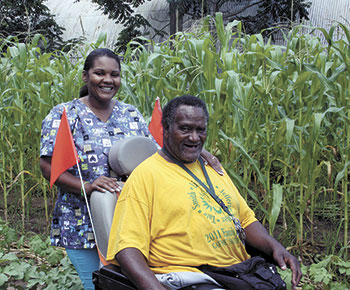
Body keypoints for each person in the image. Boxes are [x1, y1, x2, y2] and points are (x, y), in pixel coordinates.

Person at [39, 50, 221, 290]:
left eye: (115, 74)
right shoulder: (65, 114)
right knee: (96, 283)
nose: (108, 79)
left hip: (132, 218)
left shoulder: (130, 113)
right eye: (99, 73)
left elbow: (159, 152)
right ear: (85, 76)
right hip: (82, 221)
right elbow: (48, 166)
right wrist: (87, 186)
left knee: (128, 284)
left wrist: (196, 150)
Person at [106, 95, 302, 290]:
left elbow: (245, 220)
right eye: (185, 128)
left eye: (200, 130)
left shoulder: (212, 167)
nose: (194, 137)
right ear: (165, 129)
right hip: (192, 277)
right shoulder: (145, 177)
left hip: (235, 272)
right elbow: (127, 249)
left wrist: (275, 247)